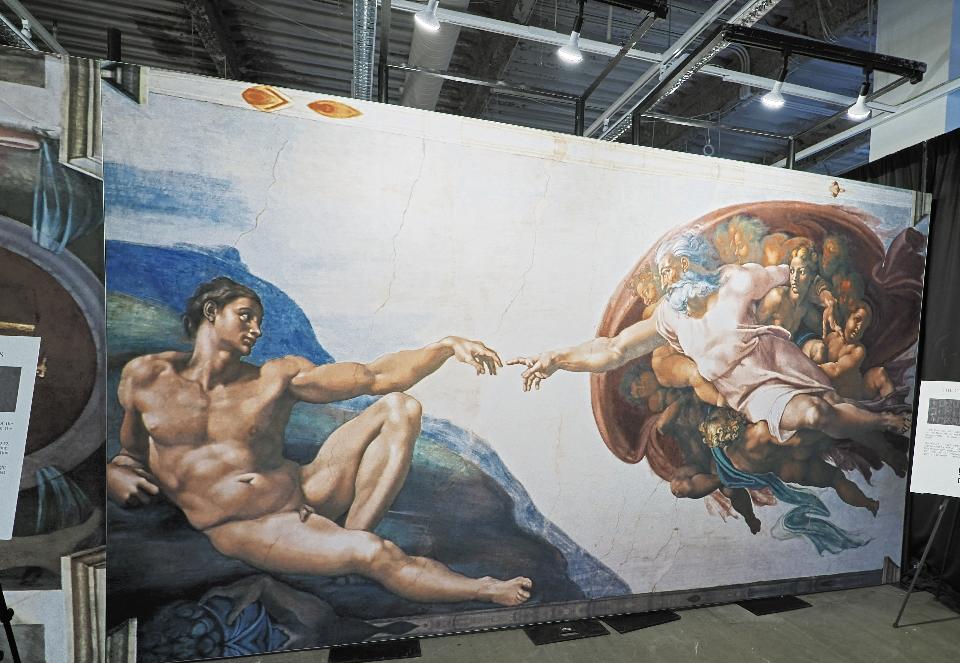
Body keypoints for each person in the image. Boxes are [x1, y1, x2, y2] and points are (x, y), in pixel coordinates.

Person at [107, 277, 532, 607]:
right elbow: (130, 455)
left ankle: (353, 535)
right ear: (211, 312)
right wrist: (114, 473)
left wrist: (444, 347)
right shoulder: (147, 376)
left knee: (399, 407)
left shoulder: (274, 378)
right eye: (246, 316)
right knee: (374, 554)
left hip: (306, 489)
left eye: (259, 321)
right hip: (250, 525)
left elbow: (375, 376)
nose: (256, 330)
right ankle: (483, 588)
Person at [509, 231, 909, 473]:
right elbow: (612, 350)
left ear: (688, 264)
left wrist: (826, 299)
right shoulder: (668, 317)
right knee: (816, 415)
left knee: (833, 405)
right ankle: (886, 422)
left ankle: (883, 433)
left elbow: (795, 275)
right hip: (749, 391)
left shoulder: (737, 279)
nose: (665, 279)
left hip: (775, 356)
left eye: (669, 269)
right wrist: (557, 358)